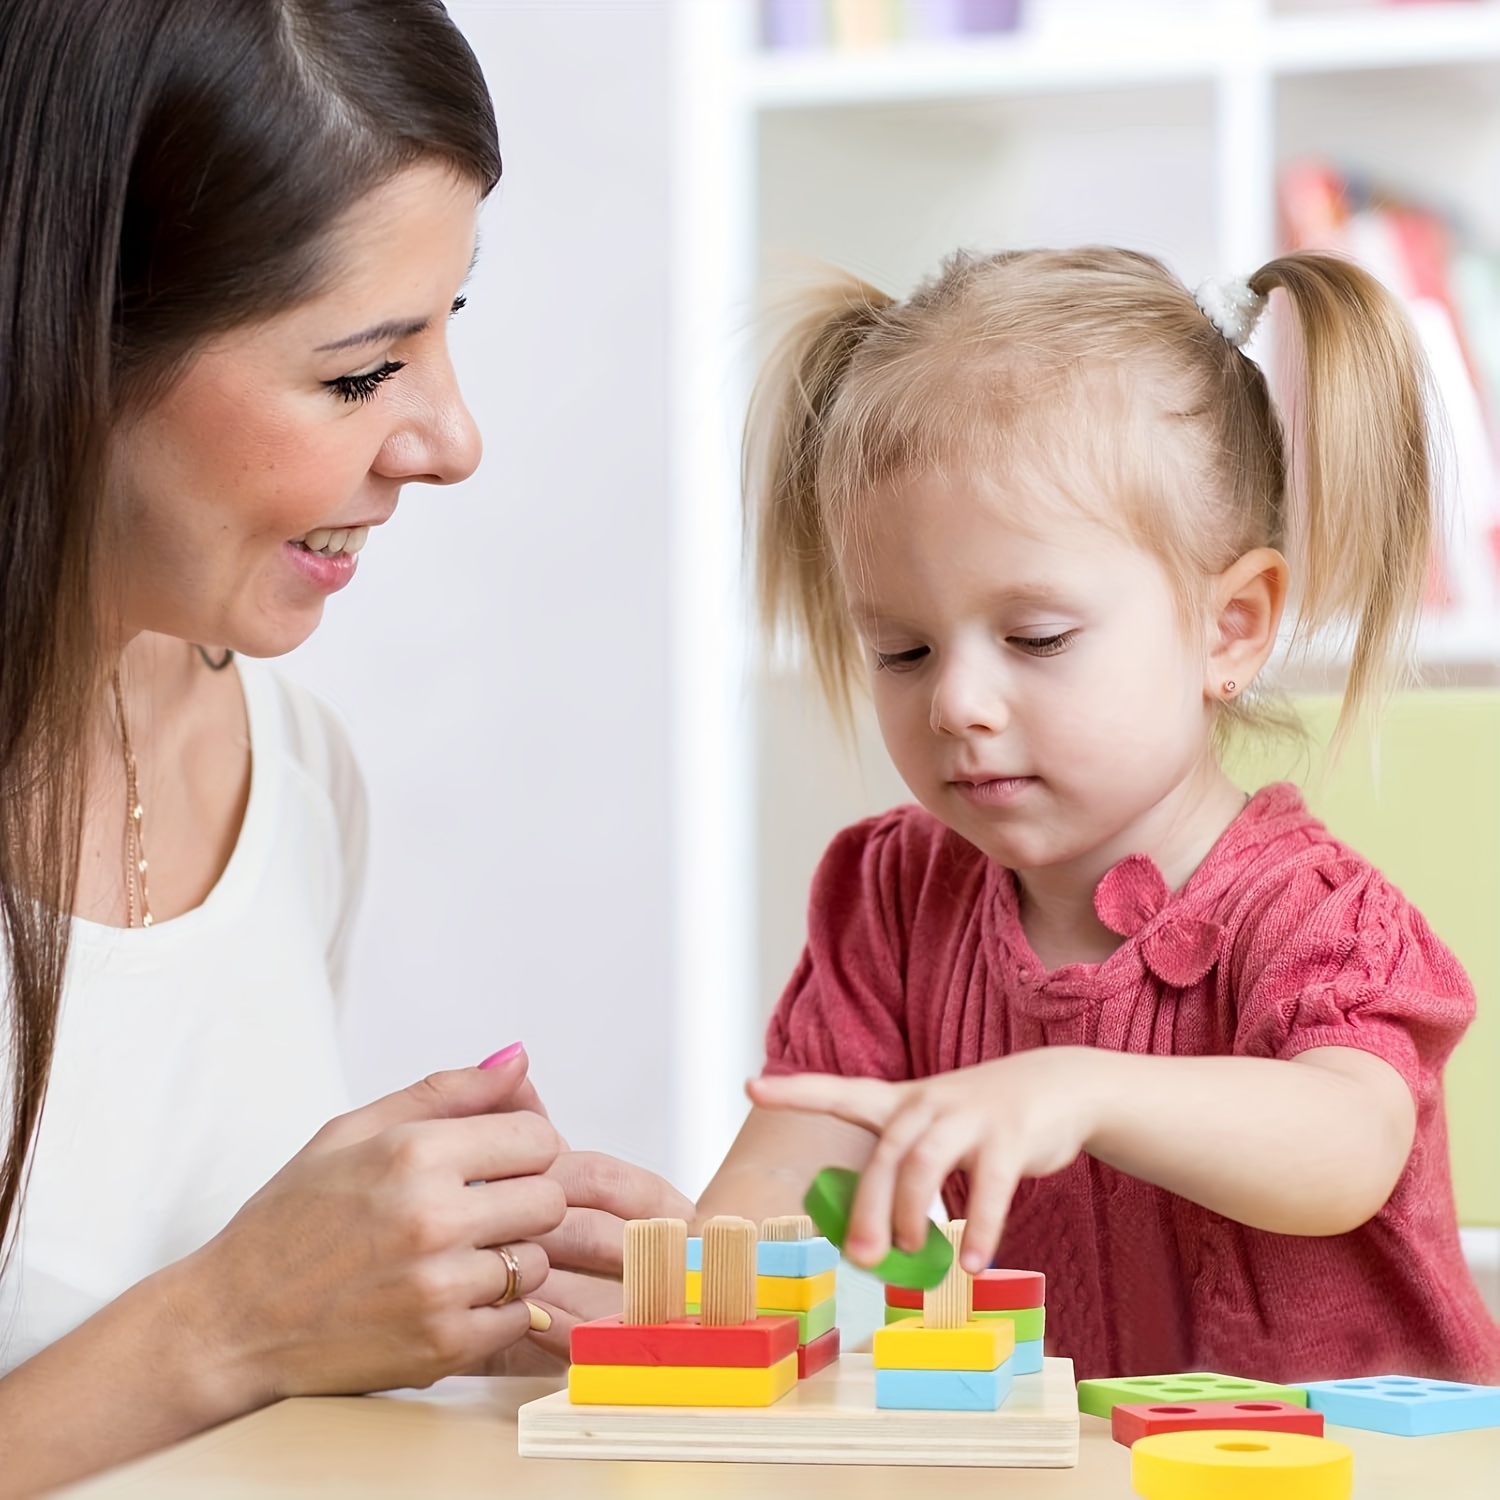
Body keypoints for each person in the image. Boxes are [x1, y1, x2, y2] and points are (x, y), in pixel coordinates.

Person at [0, 3, 689, 1493]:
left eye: (454, 325)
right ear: (63, 344)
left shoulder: (296, 775)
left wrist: (418, 1306)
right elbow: (199, 1347)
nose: (451, 437)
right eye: (361, 374)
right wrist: (233, 1322)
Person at [697, 246, 1500, 1385]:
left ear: (1229, 626)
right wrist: (691, 1284)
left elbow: (1350, 1143)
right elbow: (788, 1167)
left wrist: (1085, 1086)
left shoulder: (1311, 917)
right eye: (902, 649)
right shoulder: (893, 897)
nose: (958, 704)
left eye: (1035, 640)